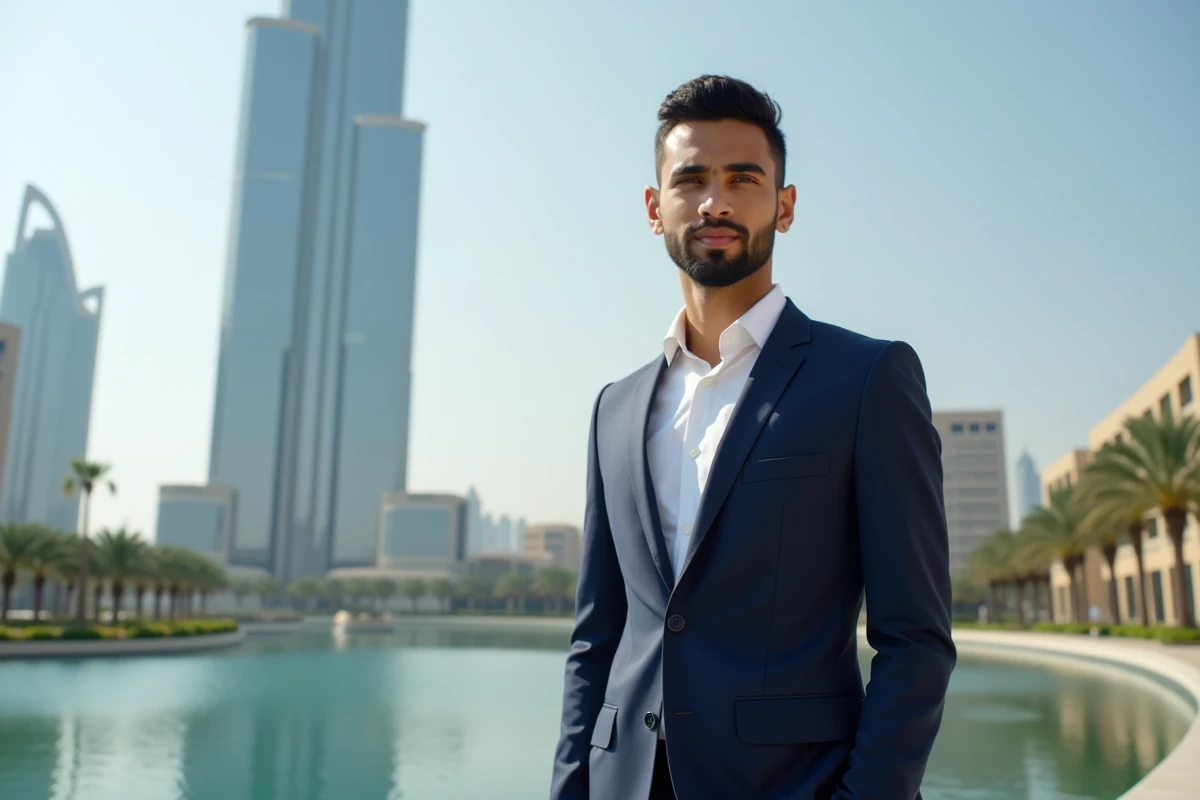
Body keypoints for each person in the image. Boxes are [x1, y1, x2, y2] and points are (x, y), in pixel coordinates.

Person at [549, 75, 956, 800]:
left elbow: (915, 638)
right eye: (691, 179)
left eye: (743, 178)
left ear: (785, 206)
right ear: (654, 208)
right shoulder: (615, 408)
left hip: (791, 784)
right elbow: (595, 639)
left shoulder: (866, 380)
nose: (716, 202)